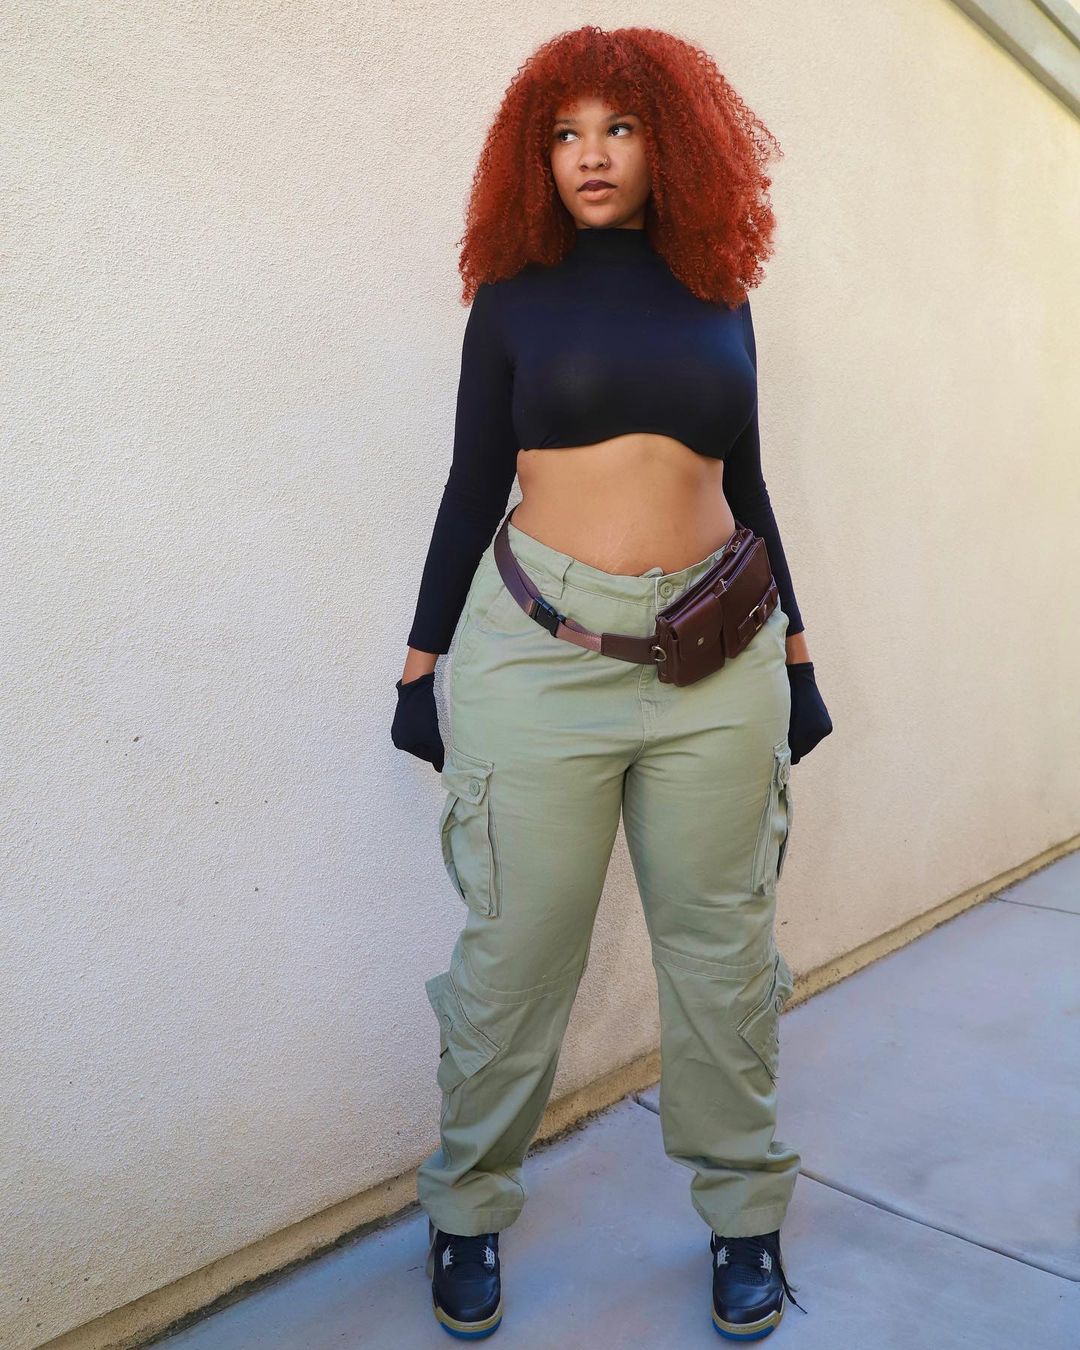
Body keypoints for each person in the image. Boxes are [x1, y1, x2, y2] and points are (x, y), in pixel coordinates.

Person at [391, 23, 833, 1341]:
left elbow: (748, 484)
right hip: (543, 655)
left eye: (620, 129)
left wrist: (800, 657)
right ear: (537, 158)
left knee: (723, 951)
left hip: (720, 653)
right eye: (567, 134)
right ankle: (467, 1206)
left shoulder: (719, 295)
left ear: (669, 144)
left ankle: (745, 1212)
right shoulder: (513, 298)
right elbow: (474, 482)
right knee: (519, 951)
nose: (591, 155)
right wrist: (419, 665)